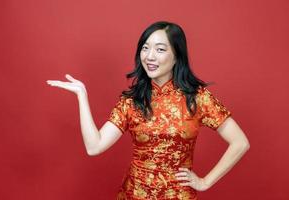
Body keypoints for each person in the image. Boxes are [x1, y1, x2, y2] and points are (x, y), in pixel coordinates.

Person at [46, 21, 250, 200]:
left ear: (177, 56)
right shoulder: (132, 101)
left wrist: (205, 182)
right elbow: (94, 146)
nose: (150, 56)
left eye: (160, 49)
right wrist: (82, 96)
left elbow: (240, 142)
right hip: (134, 193)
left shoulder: (196, 98)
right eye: (145, 48)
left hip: (178, 195)